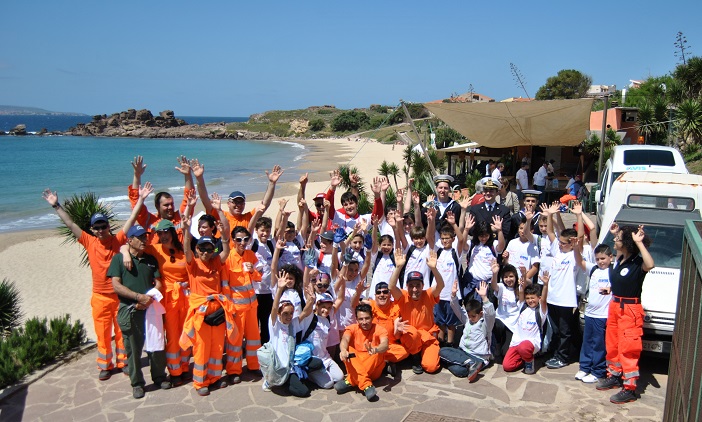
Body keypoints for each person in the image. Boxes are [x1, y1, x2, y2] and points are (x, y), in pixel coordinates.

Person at [42, 185, 150, 381]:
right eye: (97, 227)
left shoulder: (118, 240)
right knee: (102, 333)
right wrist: (56, 205)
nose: (101, 230)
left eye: (103, 226)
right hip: (99, 297)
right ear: (92, 229)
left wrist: (141, 199)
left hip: (119, 296)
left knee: (121, 332)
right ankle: (105, 365)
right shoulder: (89, 241)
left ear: (109, 226)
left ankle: (124, 362)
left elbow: (131, 220)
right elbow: (71, 224)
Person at [179, 191, 236, 396]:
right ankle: (200, 382)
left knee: (216, 346)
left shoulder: (215, 262)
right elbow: (186, 248)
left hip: (218, 310)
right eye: (202, 249)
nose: (205, 252)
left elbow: (226, 251)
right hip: (201, 313)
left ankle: (214, 377)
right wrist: (186, 229)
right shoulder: (192, 265)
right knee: (202, 348)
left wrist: (225, 235)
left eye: (208, 248)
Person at [108, 224, 170, 399]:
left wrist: (149, 298)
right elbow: (116, 285)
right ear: (130, 240)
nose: (145, 240)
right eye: (140, 237)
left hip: (150, 308)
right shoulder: (119, 259)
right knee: (133, 349)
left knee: (157, 344)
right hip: (130, 310)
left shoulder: (150, 259)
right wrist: (137, 298)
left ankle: (159, 376)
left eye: (146, 237)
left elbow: (158, 282)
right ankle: (137, 383)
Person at [596, 223, 654, 405]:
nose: (615, 240)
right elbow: (621, 280)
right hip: (615, 306)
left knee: (628, 348)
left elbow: (650, 264)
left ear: (627, 243)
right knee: (612, 344)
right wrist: (610, 289)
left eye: (618, 239)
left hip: (630, 310)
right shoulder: (621, 259)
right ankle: (613, 375)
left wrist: (639, 242)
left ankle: (629, 388)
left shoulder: (638, 262)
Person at [389, 248, 445, 374]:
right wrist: (398, 267)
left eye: (418, 285)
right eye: (411, 286)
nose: (415, 289)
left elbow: (441, 285)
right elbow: (391, 287)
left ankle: (421, 353)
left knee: (431, 367)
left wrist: (434, 269)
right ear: (407, 286)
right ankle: (415, 356)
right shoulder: (402, 296)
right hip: (410, 336)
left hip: (428, 336)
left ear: (422, 286)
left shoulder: (429, 294)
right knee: (412, 332)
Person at [265, 268, 317, 396]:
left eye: (291, 313)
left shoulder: (293, 323)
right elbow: (275, 307)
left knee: (318, 363)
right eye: (285, 314)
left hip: (292, 362)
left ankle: (296, 375)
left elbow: (305, 312)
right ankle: (284, 382)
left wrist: (311, 300)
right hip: (281, 367)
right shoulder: (274, 324)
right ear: (279, 314)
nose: (288, 316)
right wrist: (279, 289)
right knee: (304, 392)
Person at [224, 226, 263, 384]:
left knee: (254, 338)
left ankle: (254, 365)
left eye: (245, 239)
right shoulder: (228, 258)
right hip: (237, 308)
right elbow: (225, 285)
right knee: (235, 340)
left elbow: (259, 277)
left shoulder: (250, 255)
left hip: (252, 305)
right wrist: (229, 307)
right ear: (233, 240)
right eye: (239, 239)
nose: (242, 242)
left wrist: (253, 270)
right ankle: (234, 370)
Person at [543, 203, 579, 370]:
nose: (560, 244)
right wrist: (550, 215)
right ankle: (556, 353)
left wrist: (578, 216)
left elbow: (582, 238)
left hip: (566, 300)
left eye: (564, 243)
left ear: (572, 243)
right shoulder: (558, 251)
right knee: (556, 330)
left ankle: (564, 357)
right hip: (552, 297)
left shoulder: (575, 256)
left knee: (565, 331)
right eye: (560, 242)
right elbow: (551, 232)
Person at [439, 281, 495, 381]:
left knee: (457, 370)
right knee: (442, 351)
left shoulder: (485, 325)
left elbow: (490, 315)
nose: (471, 318)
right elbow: (457, 308)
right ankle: (469, 364)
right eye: (469, 316)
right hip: (463, 352)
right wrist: (453, 295)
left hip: (478, 357)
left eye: (473, 316)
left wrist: (484, 298)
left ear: (480, 314)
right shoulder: (467, 320)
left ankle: (470, 364)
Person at [574, 243, 613, 384]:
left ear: (610, 257)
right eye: (597, 259)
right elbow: (580, 261)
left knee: (599, 344)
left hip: (603, 315)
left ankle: (598, 371)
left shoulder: (613, 271)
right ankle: (584, 367)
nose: (600, 262)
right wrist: (575, 248)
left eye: (603, 258)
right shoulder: (594, 269)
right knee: (587, 342)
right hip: (590, 313)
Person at [335, 303, 390, 402]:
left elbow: (385, 344)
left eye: (367, 318)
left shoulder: (379, 329)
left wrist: (376, 349)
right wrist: (343, 350)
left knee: (377, 352)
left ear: (372, 317)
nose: (364, 322)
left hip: (372, 367)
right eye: (361, 319)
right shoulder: (352, 328)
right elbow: (345, 340)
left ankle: (351, 380)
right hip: (358, 362)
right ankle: (366, 385)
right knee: (348, 350)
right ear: (356, 319)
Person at [129, 156, 189, 242]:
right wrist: (137, 176)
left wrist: (188, 175)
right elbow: (136, 203)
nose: (170, 207)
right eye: (166, 205)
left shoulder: (180, 217)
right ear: (157, 206)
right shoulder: (148, 220)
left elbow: (189, 197)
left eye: (171, 204)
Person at [503, 269, 549, 374]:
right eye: (528, 298)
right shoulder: (523, 307)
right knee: (507, 366)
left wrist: (545, 285)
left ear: (538, 298)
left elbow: (544, 300)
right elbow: (521, 291)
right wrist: (523, 276)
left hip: (531, 343)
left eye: (533, 298)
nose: (530, 300)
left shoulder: (540, 311)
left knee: (524, 347)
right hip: (517, 342)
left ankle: (529, 361)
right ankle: (525, 358)